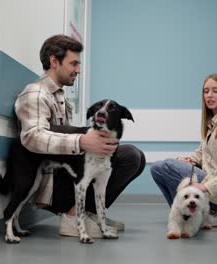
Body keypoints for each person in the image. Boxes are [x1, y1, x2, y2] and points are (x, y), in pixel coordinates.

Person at [13, 34, 145, 238]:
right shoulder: (36, 93)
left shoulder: (61, 97)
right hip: (50, 183)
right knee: (130, 156)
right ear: (54, 62)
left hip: (65, 172)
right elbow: (32, 137)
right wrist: (82, 141)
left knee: (132, 155)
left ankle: (91, 213)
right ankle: (73, 216)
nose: (78, 70)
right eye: (73, 63)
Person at [150, 73, 217, 227]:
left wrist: (205, 186)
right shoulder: (212, 123)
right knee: (156, 168)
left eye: (215, 91)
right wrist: (189, 160)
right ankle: (187, 216)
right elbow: (203, 152)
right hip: (209, 179)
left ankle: (202, 214)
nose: (209, 95)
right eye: (206, 91)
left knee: (167, 164)